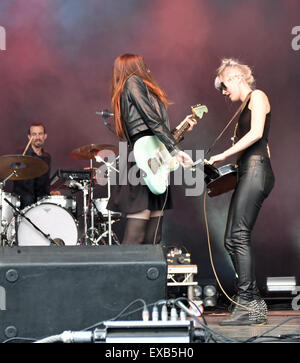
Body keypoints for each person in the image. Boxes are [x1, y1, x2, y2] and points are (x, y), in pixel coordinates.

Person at [208, 58, 275, 325]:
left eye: (225, 86)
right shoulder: (242, 112)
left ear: (236, 78)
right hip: (249, 172)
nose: (225, 92)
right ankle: (253, 303)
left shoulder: (257, 96)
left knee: (238, 234)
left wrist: (224, 154)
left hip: (257, 172)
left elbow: (258, 134)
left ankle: (248, 303)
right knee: (230, 239)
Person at [107, 53, 196, 245]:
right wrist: (175, 149)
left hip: (153, 160)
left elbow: (154, 132)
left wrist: (181, 129)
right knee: (136, 236)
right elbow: (151, 120)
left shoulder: (138, 87)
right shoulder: (132, 82)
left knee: (153, 237)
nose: (147, 67)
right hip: (142, 162)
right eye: (142, 64)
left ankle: (146, 275)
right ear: (134, 67)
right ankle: (121, 275)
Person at [13, 122, 52, 209]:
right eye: (34, 134)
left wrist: (51, 191)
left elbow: (45, 183)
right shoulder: (21, 154)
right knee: (28, 199)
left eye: (40, 134)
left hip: (41, 197)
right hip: (23, 198)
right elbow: (15, 176)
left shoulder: (47, 157)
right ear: (29, 137)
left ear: (45, 136)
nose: (37, 137)